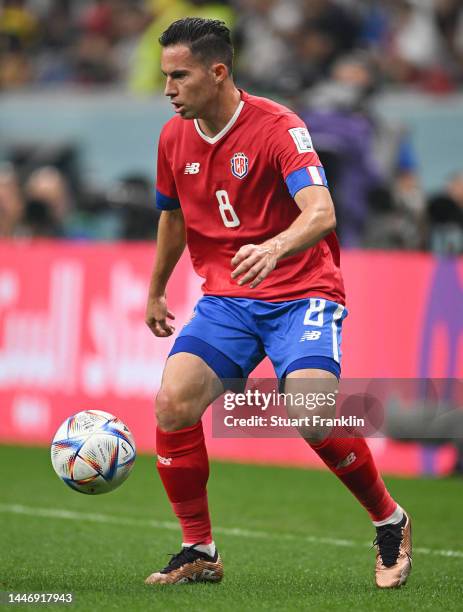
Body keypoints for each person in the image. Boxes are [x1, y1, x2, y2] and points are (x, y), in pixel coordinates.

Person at [144, 17, 412, 589]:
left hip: (301, 292)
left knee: (312, 414)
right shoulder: (173, 137)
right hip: (228, 298)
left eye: (178, 76)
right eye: (165, 75)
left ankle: (389, 520)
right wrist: (156, 287)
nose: (167, 87)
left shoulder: (279, 128)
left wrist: (275, 246)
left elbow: (321, 212)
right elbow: (172, 216)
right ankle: (199, 548)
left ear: (217, 72)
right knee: (173, 403)